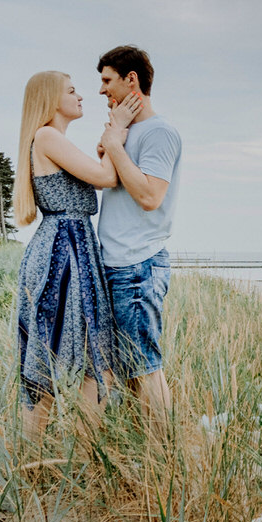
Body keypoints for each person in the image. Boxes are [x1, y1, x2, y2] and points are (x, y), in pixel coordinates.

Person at [12, 69, 140, 443]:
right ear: (51, 100)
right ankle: (33, 458)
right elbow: (106, 179)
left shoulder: (53, 140)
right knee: (51, 358)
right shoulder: (47, 135)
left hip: (73, 247)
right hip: (62, 253)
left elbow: (101, 172)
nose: (81, 96)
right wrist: (115, 134)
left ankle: (81, 455)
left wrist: (106, 150)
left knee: (88, 358)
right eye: (72, 91)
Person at [95, 45, 182, 422]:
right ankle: (140, 450)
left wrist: (115, 144)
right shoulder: (126, 132)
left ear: (132, 80)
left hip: (137, 264)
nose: (101, 90)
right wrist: (113, 142)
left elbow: (150, 196)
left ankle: (164, 456)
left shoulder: (159, 132)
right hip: (115, 262)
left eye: (107, 80)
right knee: (125, 367)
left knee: (145, 366)